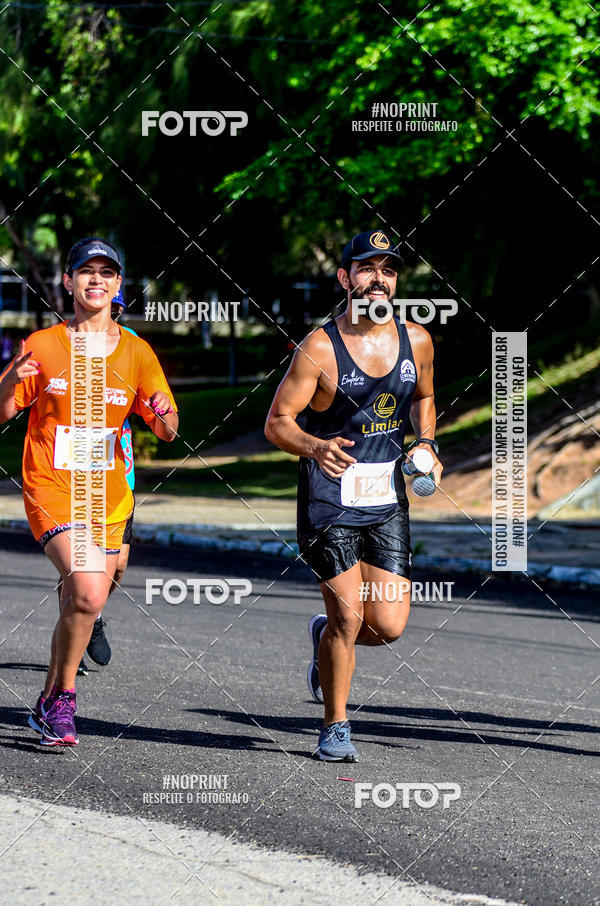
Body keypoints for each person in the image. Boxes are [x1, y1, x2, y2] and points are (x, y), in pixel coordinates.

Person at [265, 229, 442, 762]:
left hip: (386, 500)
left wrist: (427, 443)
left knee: (386, 625)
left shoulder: (418, 341)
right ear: (345, 279)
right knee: (348, 617)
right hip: (330, 502)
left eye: (387, 270)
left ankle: (323, 642)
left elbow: (425, 398)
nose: (378, 279)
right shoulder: (319, 348)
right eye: (366, 268)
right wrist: (316, 447)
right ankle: (335, 726)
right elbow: (277, 423)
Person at [0, 236, 178, 746]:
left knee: (89, 593)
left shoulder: (138, 353)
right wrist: (8, 381)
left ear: (119, 284)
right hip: (51, 486)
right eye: (86, 271)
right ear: (68, 281)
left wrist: (164, 416)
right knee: (87, 590)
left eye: (107, 272)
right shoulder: (43, 345)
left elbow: (168, 427)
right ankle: (63, 701)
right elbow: (3, 412)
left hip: (108, 495)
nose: (96, 280)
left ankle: (46, 700)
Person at [71, 283, 136, 676]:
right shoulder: (69, 343)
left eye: (116, 306)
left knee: (120, 564)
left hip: (118, 466)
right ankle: (79, 620)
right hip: (73, 469)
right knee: (81, 562)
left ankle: (93, 614)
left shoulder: (129, 347)